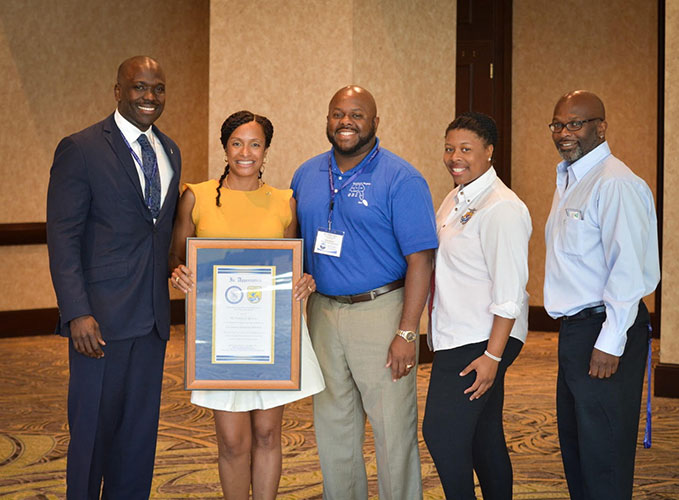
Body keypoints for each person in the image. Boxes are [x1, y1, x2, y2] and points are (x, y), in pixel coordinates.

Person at [169, 110, 325, 500]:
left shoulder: (284, 202)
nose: (246, 152)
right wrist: (178, 272)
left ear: (266, 150)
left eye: (255, 144)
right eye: (237, 142)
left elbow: (294, 264)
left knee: (269, 433)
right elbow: (174, 256)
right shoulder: (196, 196)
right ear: (225, 147)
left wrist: (305, 279)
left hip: (271, 334)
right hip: (219, 336)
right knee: (233, 440)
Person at [290, 85, 437, 500]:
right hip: (322, 312)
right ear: (327, 121)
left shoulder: (402, 178)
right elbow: (294, 245)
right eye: (338, 114)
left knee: (392, 428)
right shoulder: (306, 174)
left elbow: (421, 262)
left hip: (382, 311)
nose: (346, 122)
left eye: (357, 114)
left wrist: (409, 332)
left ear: (375, 122)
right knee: (333, 426)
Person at [46, 56, 181, 499]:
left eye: (157, 88)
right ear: (118, 90)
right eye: (139, 87)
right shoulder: (81, 148)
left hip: (152, 322)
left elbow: (158, 233)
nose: (149, 97)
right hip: (99, 323)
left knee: (138, 441)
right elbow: (63, 238)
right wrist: (77, 313)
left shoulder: (170, 150)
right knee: (91, 438)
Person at [544, 90, 660, 500]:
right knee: (577, 448)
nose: (564, 132)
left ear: (601, 127)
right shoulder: (570, 178)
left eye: (575, 123)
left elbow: (627, 270)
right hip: (575, 332)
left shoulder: (615, 183)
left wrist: (610, 342)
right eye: (558, 124)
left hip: (606, 331)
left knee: (604, 455)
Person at [422, 112, 532, 500]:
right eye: (450, 148)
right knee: (484, 437)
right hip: (459, 332)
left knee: (441, 433)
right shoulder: (457, 195)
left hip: (480, 337)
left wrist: (492, 355)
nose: (455, 156)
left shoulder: (502, 207)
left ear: (489, 151)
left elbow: (510, 292)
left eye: (466, 149)